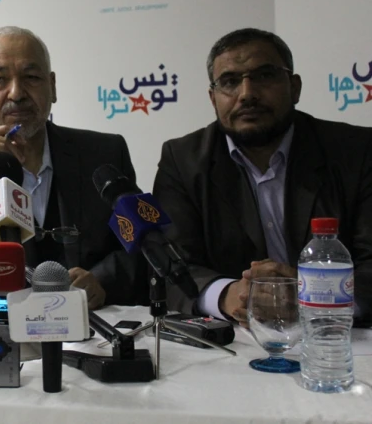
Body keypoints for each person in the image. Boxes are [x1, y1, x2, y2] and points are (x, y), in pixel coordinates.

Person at [153, 27, 372, 326]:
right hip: (239, 341)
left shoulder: (356, 152)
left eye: (264, 76)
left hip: (336, 337)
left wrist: (317, 295)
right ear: (213, 98)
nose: (247, 94)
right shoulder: (182, 161)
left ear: (294, 87)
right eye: (229, 82)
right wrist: (229, 295)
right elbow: (171, 265)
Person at [0, 26, 148, 309]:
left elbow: (142, 242)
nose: (17, 93)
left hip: (92, 337)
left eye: (31, 77)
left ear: (52, 86)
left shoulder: (105, 154)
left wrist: (101, 280)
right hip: (0, 343)